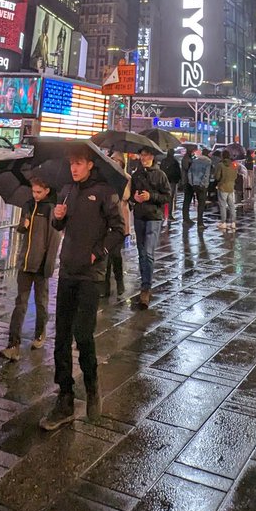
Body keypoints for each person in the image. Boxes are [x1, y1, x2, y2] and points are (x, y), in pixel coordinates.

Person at [40, 146, 125, 431]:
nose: (73, 168)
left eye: (78, 163)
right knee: (61, 336)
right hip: (67, 270)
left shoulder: (104, 192)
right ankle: (64, 396)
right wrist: (58, 216)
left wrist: (97, 253)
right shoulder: (66, 190)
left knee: (83, 334)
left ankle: (91, 384)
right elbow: (58, 225)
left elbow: (119, 230)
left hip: (91, 274)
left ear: (90, 164)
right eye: (71, 163)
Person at [0, 177, 60, 360]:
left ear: (47, 191)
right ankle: (13, 343)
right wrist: (23, 225)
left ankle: (40, 332)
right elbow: (21, 229)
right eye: (33, 191)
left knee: (41, 302)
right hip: (25, 262)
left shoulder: (51, 209)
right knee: (20, 303)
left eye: (39, 192)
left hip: (41, 264)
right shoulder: (28, 205)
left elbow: (53, 239)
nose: (35, 195)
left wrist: (48, 265)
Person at [129, 147, 171, 309]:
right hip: (139, 216)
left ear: (152, 157)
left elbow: (167, 196)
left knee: (148, 253)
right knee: (141, 253)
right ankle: (144, 282)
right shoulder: (136, 174)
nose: (144, 158)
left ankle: (146, 287)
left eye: (146, 155)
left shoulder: (160, 175)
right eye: (142, 155)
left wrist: (151, 196)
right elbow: (131, 194)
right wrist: (135, 198)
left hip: (154, 217)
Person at [102, 151, 129, 298]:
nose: (114, 163)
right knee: (105, 255)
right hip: (106, 221)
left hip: (119, 222)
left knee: (115, 255)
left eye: (117, 161)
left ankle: (120, 282)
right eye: (112, 160)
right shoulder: (105, 178)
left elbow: (126, 196)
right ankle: (105, 287)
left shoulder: (126, 178)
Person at [183, 147, 212, 228]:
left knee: (188, 201)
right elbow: (206, 174)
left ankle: (190, 220)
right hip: (202, 186)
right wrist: (203, 184)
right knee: (201, 204)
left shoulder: (195, 161)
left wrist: (191, 183)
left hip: (194, 184)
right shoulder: (208, 162)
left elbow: (190, 172)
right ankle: (200, 223)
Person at [213, 152, 239, 230]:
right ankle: (233, 222)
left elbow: (217, 177)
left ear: (222, 156)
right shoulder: (233, 165)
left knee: (222, 205)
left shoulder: (220, 165)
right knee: (231, 205)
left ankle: (223, 222)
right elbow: (235, 176)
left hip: (222, 187)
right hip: (231, 187)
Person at [160, 148, 181, 222]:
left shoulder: (163, 161)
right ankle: (169, 215)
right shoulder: (175, 162)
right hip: (172, 182)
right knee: (170, 198)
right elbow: (178, 172)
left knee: (163, 198)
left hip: (163, 182)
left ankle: (163, 214)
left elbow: (160, 170)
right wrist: (177, 180)